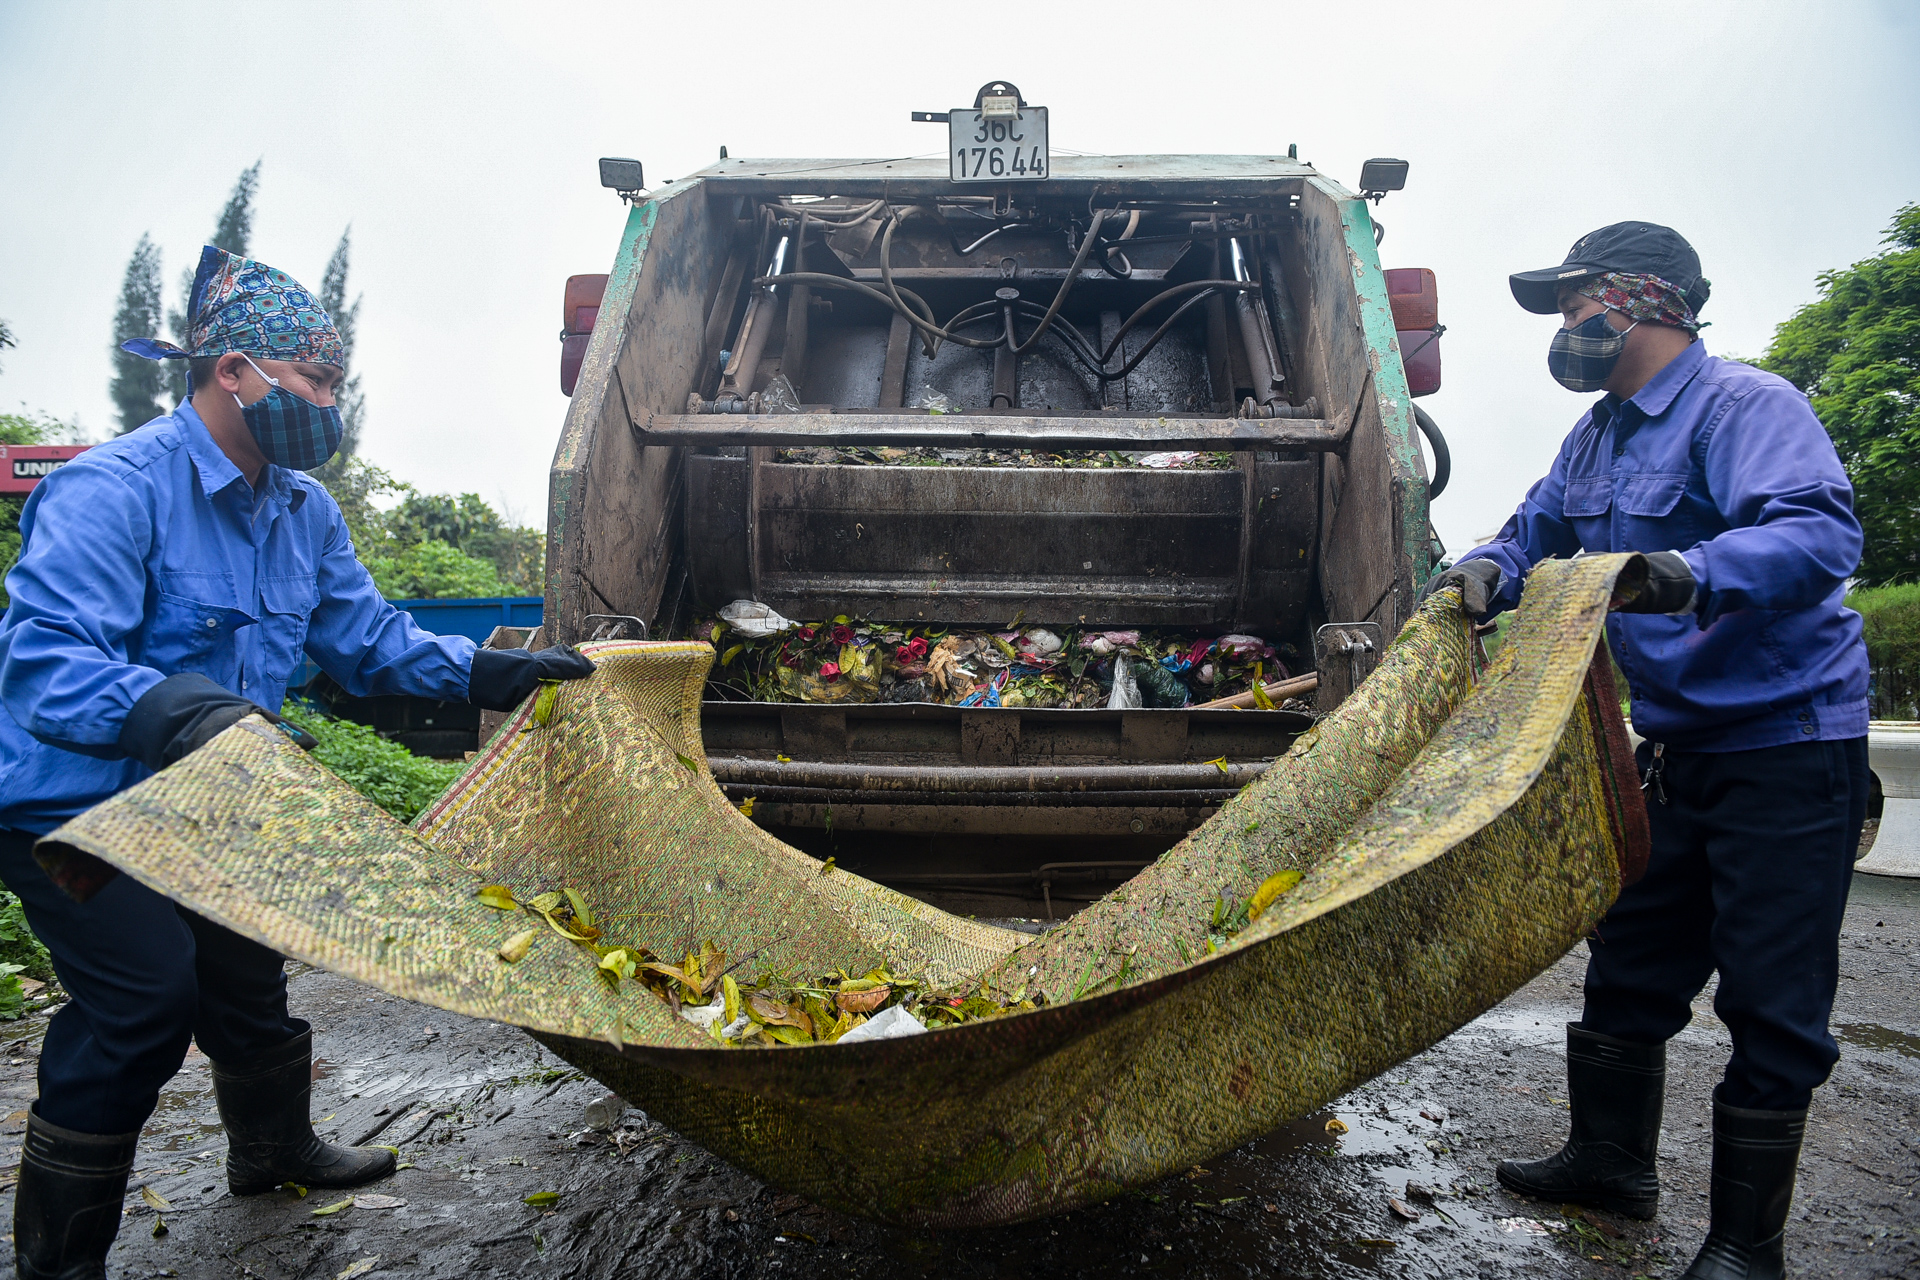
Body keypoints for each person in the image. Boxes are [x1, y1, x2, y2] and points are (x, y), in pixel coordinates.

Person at [0, 245, 595, 1279]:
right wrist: (171, 709)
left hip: (214, 793)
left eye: (336, 385)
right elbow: (45, 666)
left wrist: (496, 673)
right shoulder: (114, 490)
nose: (330, 403)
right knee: (143, 1003)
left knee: (246, 969)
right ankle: (59, 1260)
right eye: (317, 382)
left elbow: (367, 639)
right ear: (236, 371)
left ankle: (270, 1149)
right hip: (76, 803)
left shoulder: (302, 509)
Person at [1423, 223, 1869, 1280]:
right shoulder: (1597, 436)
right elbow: (1535, 532)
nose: (1567, 332)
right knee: (1631, 959)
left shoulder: (1746, 407)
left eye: (1576, 309)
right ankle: (1611, 1160)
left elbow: (1820, 535)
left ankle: (1745, 1245)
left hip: (1786, 747)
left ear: (1644, 304)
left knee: (1770, 995)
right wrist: (1487, 568)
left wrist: (1684, 568)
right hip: (1674, 748)